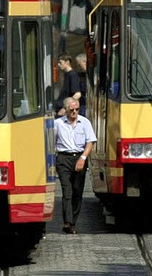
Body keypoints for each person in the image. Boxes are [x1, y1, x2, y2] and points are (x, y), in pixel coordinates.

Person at [54, 97, 96, 234]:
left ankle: (73, 222)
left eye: (77, 109)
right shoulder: (57, 124)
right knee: (67, 191)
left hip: (79, 157)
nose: (74, 112)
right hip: (63, 159)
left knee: (77, 192)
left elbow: (90, 142)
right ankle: (68, 222)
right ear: (65, 109)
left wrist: (83, 158)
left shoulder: (85, 122)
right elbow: (51, 142)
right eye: (71, 109)